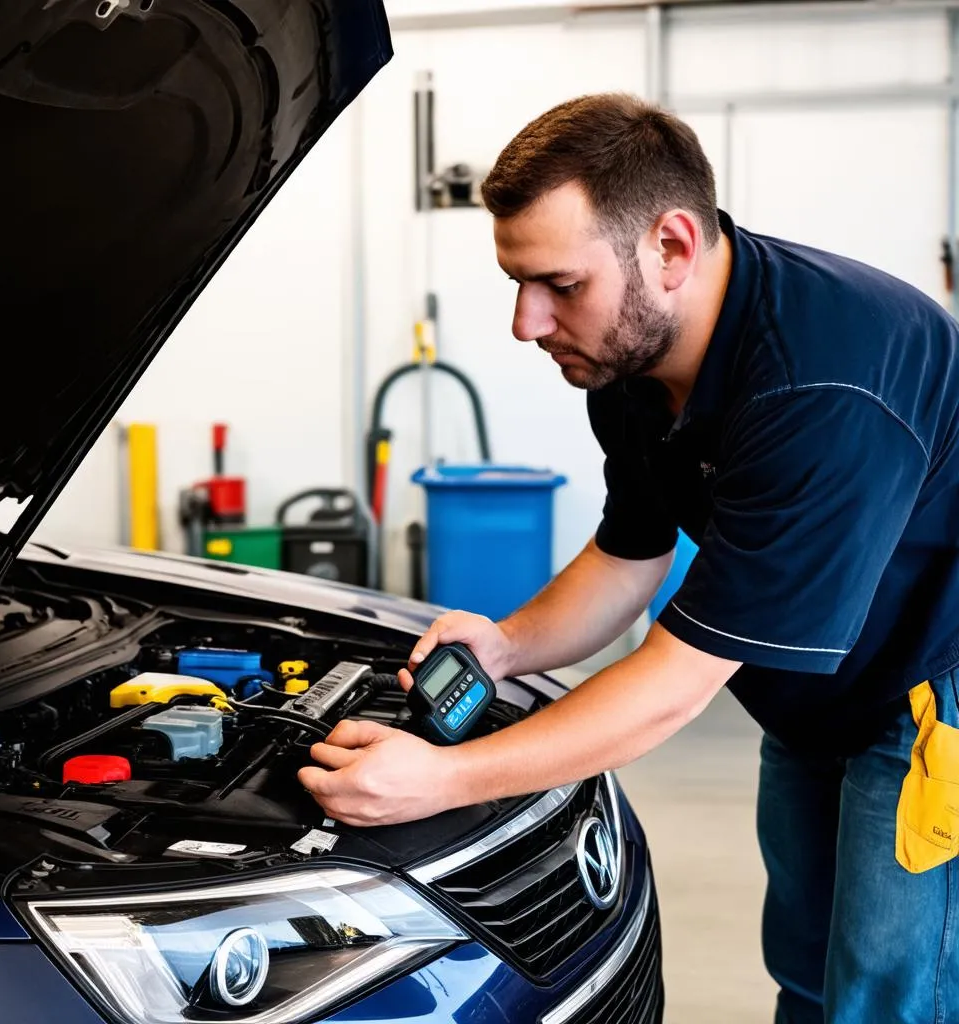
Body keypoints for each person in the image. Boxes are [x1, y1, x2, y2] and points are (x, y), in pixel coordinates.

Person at [298, 93, 959, 1024]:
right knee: (809, 975)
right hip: (816, 690)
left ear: (672, 249)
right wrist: (503, 647)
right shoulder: (630, 363)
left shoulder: (823, 384)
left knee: (888, 999)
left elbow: (672, 687)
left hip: (930, 691)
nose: (528, 323)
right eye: (517, 283)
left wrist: (439, 778)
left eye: (560, 285)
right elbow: (630, 554)